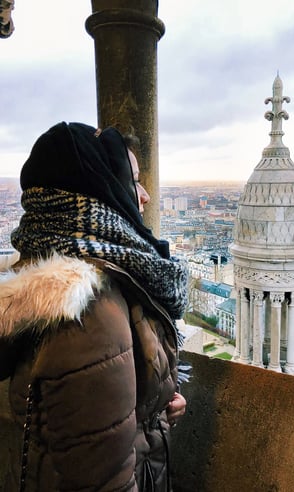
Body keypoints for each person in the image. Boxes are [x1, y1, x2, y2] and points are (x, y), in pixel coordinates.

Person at [0, 122, 189, 492]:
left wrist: (155, 406)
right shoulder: (88, 311)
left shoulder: (60, 275)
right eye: (133, 181)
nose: (145, 195)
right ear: (102, 192)